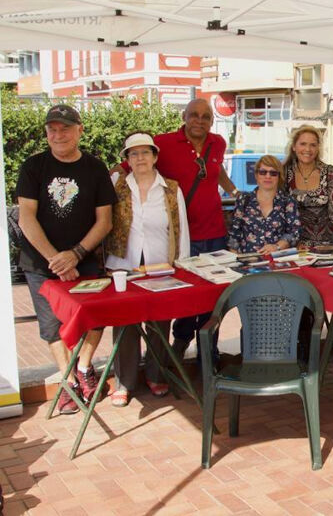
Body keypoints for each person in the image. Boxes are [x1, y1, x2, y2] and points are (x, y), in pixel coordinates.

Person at [113, 98, 239, 363]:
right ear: (184, 116)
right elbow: (125, 168)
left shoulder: (218, 142)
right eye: (194, 115)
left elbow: (217, 173)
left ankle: (208, 352)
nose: (199, 121)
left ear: (212, 121)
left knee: (212, 297)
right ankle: (177, 349)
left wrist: (236, 193)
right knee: (183, 298)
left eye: (206, 116)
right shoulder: (164, 143)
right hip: (180, 237)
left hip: (214, 234)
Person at [16, 104, 116, 414]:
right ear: (46, 133)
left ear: (79, 130)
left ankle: (84, 367)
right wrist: (55, 260)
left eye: (65, 128)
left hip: (84, 259)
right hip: (40, 264)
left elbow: (105, 221)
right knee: (51, 326)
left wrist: (74, 255)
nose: (58, 135)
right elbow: (26, 218)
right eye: (52, 129)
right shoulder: (33, 166)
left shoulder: (96, 168)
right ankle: (69, 382)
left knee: (96, 317)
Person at [105, 132, 190, 407]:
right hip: (123, 266)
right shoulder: (116, 185)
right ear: (127, 159)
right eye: (133, 153)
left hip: (160, 266)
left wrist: (181, 263)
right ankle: (125, 382)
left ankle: (156, 374)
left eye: (145, 153)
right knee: (124, 324)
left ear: (155, 156)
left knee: (158, 323)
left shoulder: (171, 188)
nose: (139, 158)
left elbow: (181, 229)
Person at [284, 125, 333, 249]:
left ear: (318, 149)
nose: (308, 149)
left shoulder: (330, 172)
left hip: (326, 247)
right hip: (293, 246)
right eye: (303, 144)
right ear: (294, 147)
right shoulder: (284, 173)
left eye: (313, 145)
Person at [228, 155, 301, 254]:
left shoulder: (288, 201)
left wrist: (277, 246)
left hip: (277, 262)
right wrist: (234, 260)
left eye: (273, 173)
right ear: (256, 175)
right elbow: (234, 235)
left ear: (279, 177)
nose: (268, 176)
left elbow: (294, 233)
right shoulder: (244, 200)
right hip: (248, 261)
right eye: (263, 172)